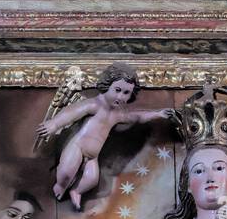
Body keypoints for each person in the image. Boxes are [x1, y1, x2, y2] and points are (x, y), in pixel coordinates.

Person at [37, 63, 170, 209]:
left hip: (93, 156)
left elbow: (137, 116)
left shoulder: (118, 114)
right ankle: (61, 186)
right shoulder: (94, 105)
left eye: (126, 93)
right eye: (117, 90)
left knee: (91, 179)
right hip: (78, 146)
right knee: (67, 172)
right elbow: (71, 113)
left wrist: (158, 114)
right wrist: (54, 124)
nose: (120, 96)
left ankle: (76, 191)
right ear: (107, 85)